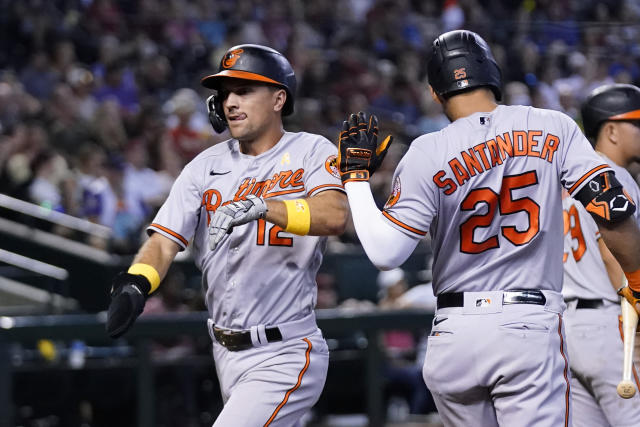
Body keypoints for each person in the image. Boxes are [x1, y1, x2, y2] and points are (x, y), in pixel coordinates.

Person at [337, 30, 640, 426]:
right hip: (526, 326)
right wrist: (635, 279)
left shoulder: (426, 152)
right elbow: (611, 207)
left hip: (453, 335)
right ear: (492, 73)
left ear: (434, 92)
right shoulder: (552, 125)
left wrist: (356, 180)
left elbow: (385, 253)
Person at [105, 44, 348, 426]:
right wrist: (137, 281)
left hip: (284, 348)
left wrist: (265, 206)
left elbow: (334, 216)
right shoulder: (205, 166)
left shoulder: (310, 151)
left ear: (278, 99)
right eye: (225, 94)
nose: (231, 102)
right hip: (224, 350)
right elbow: (165, 240)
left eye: (244, 90)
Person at [562, 84, 640, 426]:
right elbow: (614, 256)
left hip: (567, 330)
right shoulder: (612, 177)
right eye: (637, 123)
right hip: (612, 325)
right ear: (610, 130)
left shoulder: (568, 179)